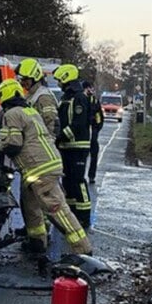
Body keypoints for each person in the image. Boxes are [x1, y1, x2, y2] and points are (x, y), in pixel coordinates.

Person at [0, 79, 95, 267]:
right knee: (31, 207)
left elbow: (13, 144)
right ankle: (37, 242)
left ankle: (83, 251)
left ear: (4, 95)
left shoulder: (12, 113)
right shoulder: (29, 110)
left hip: (39, 169)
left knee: (57, 209)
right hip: (41, 166)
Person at [53, 64, 92, 228]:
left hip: (78, 146)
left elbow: (78, 123)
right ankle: (71, 213)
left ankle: (84, 216)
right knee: (68, 181)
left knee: (78, 181)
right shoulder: (65, 98)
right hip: (66, 147)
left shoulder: (79, 98)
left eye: (59, 81)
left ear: (66, 78)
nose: (58, 84)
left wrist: (60, 136)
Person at [15, 58, 59, 136]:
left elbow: (51, 123)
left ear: (35, 77)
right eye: (21, 79)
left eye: (25, 79)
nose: (22, 82)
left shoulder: (44, 97)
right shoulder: (30, 95)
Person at [83, 81, 104, 183]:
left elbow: (99, 116)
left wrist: (96, 129)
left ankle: (91, 176)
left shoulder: (94, 101)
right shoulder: (80, 100)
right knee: (83, 156)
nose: (90, 90)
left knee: (93, 154)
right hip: (83, 134)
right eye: (89, 88)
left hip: (91, 133)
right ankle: (83, 175)